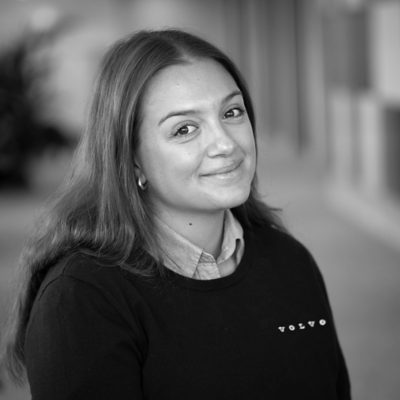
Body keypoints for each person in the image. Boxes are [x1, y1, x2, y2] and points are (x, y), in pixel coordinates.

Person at [3, 29, 351, 399]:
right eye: (184, 129)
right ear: (132, 160)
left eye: (232, 112)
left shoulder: (290, 261)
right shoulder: (81, 299)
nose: (225, 143)